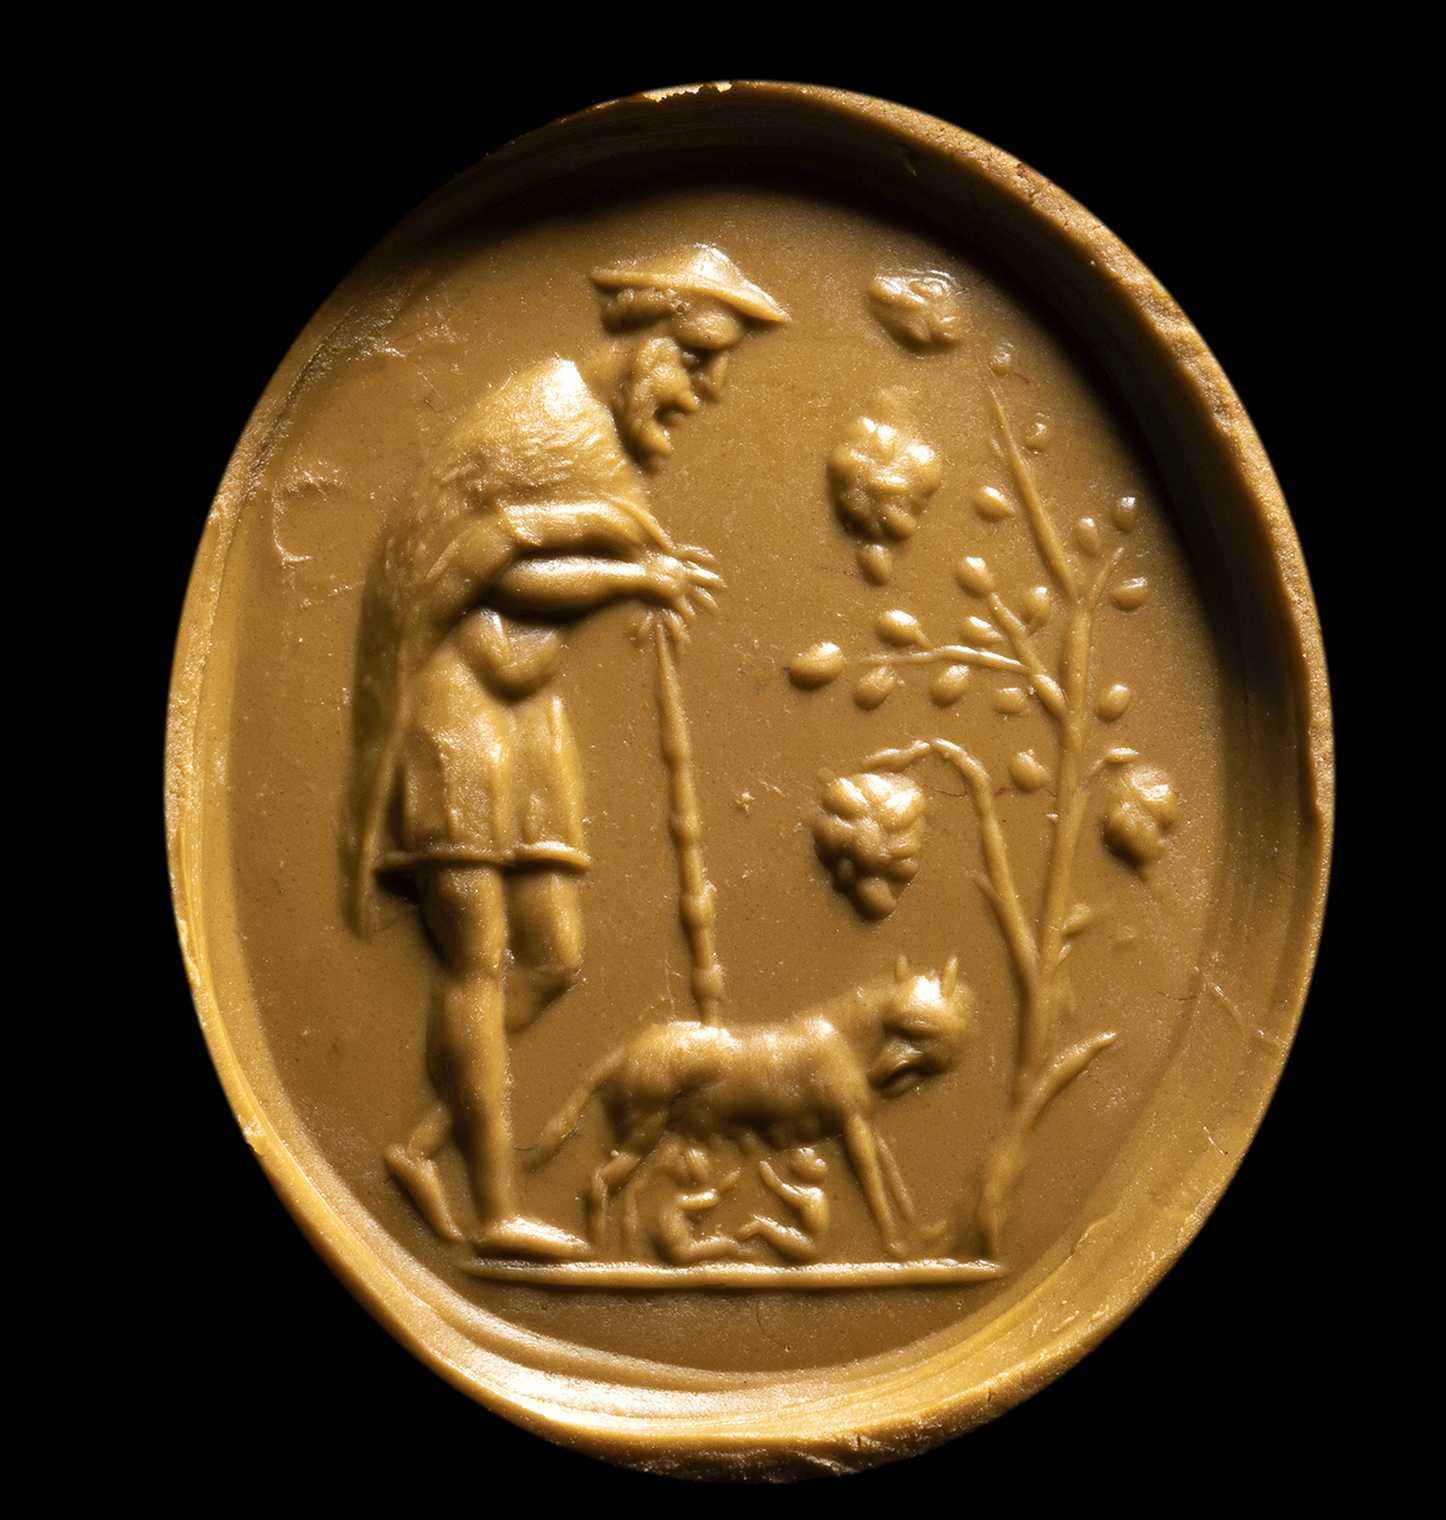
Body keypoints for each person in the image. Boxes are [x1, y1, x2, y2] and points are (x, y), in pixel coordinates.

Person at [348, 246, 788, 1256]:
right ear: (644, 338)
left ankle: (422, 1144)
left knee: (551, 959)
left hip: (529, 719)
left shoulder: (606, 444)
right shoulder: (541, 412)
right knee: (475, 958)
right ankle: (496, 1204)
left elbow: (552, 548)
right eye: (696, 358)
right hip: (456, 712)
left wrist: (634, 558)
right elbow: (486, 568)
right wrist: (630, 576)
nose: (708, 388)